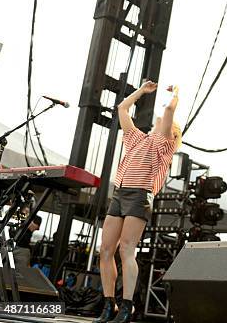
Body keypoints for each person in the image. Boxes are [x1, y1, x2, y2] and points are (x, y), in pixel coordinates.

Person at [93, 81, 181, 323]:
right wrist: (141, 91)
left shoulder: (164, 145)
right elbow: (122, 109)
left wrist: (175, 94)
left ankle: (127, 305)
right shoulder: (136, 139)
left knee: (126, 249)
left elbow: (169, 112)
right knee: (106, 250)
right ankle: (108, 302)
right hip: (120, 193)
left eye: (164, 124)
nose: (160, 122)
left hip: (140, 195)